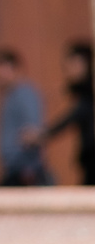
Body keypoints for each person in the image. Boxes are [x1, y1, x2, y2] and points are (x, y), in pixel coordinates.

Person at [37, 41, 95, 185]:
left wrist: (43, 134)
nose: (69, 70)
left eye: (74, 64)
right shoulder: (81, 91)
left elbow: (75, 115)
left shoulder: (88, 95)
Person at [0, 47, 52, 185]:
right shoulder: (10, 95)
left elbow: (33, 133)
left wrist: (29, 168)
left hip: (25, 171)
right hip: (14, 169)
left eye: (0, 69)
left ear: (12, 68)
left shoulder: (24, 93)